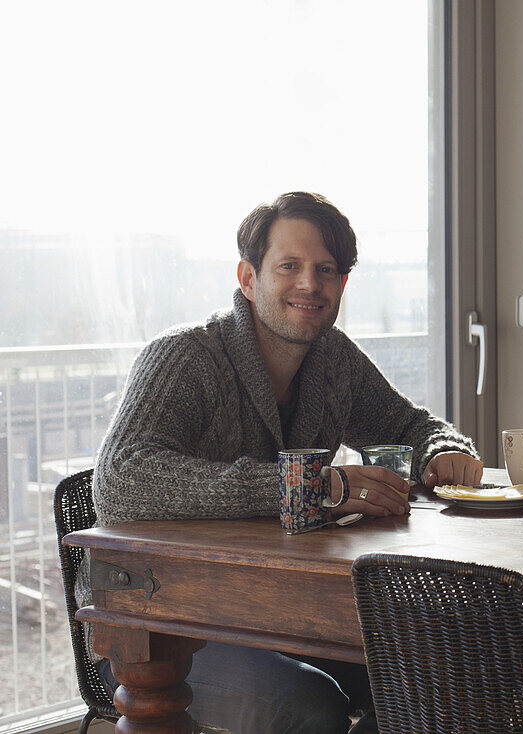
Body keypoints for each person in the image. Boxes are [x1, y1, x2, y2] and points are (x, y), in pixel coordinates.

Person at [84, 191, 484, 733]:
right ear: (248, 278)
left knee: (427, 677)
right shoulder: (186, 356)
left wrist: (445, 450)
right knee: (311, 708)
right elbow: (120, 482)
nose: (309, 284)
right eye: (289, 266)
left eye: (326, 270)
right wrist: (313, 486)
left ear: (342, 285)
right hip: (159, 626)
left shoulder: (334, 359)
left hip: (284, 608)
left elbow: (412, 427)